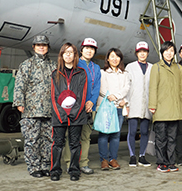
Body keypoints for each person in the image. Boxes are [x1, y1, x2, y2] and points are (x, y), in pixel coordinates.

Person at [13, 35, 57, 178]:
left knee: (48, 140)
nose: (41, 47)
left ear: (48, 47)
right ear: (33, 47)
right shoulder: (26, 65)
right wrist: (19, 103)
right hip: (31, 110)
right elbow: (19, 85)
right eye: (38, 45)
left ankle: (45, 166)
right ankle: (34, 167)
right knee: (32, 140)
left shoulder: (53, 65)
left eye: (44, 45)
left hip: (49, 110)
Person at [50, 43, 88, 181]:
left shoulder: (81, 73)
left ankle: (74, 170)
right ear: (61, 55)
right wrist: (62, 114)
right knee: (57, 143)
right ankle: (55, 170)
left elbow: (82, 96)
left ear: (75, 55)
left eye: (71, 52)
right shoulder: (55, 73)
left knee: (75, 143)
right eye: (65, 52)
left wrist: (74, 113)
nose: (68, 55)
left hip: (76, 115)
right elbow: (54, 97)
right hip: (59, 116)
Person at [63, 38, 101, 175]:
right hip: (76, 107)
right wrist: (82, 102)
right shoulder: (75, 64)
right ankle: (70, 163)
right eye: (87, 48)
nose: (89, 50)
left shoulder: (96, 68)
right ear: (81, 50)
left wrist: (91, 101)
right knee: (72, 137)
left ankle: (83, 163)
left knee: (86, 137)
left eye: (92, 48)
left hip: (90, 108)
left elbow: (97, 86)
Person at [149, 41, 182, 173]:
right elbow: (153, 88)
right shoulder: (157, 67)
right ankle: (161, 162)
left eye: (171, 51)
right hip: (160, 108)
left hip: (175, 108)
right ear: (162, 52)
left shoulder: (178, 68)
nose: (169, 53)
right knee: (161, 138)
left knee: (172, 138)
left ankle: (171, 162)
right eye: (166, 51)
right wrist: (152, 105)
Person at [96, 48, 130, 170]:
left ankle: (112, 158)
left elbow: (126, 88)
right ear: (108, 59)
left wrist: (118, 98)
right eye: (112, 56)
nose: (115, 59)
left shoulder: (125, 74)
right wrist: (114, 97)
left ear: (120, 59)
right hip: (106, 107)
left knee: (116, 134)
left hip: (118, 107)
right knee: (104, 134)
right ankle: (104, 159)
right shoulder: (102, 72)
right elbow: (102, 89)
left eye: (117, 56)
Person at [125, 41, 153, 167]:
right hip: (133, 103)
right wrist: (127, 103)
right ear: (136, 53)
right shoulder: (130, 67)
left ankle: (142, 156)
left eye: (144, 52)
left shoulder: (152, 68)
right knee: (132, 131)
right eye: (140, 52)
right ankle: (132, 156)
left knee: (145, 131)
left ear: (147, 53)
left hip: (147, 104)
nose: (142, 54)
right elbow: (126, 86)